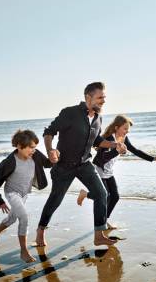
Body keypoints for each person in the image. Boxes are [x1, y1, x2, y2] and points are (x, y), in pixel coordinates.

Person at [37, 82, 126, 247]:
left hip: (85, 163)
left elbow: (97, 140)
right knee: (55, 200)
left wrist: (115, 145)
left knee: (102, 194)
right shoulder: (69, 113)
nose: (103, 101)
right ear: (88, 97)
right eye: (100, 98)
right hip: (63, 165)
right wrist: (50, 150)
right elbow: (49, 131)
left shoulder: (98, 117)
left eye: (104, 98)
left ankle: (98, 235)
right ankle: (40, 231)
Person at [77, 114, 156, 229]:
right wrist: (117, 151)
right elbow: (102, 157)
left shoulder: (124, 139)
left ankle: (105, 220)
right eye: (125, 128)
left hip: (109, 172)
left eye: (128, 129)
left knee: (115, 197)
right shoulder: (109, 139)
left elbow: (135, 151)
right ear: (116, 127)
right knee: (104, 196)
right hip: (99, 169)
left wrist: (152, 158)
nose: (127, 131)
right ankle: (85, 194)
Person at [0, 129, 52, 263]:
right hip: (12, 193)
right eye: (30, 147)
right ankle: (24, 251)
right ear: (19, 146)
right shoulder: (10, 162)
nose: (33, 150)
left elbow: (47, 163)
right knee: (24, 217)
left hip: (24, 194)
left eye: (35, 147)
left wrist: (54, 156)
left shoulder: (35, 154)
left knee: (11, 219)